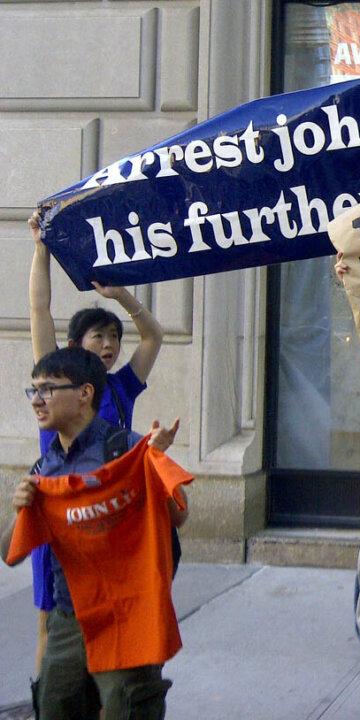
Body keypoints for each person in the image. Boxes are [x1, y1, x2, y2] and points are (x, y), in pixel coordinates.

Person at [1, 346, 184, 720]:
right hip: (67, 618)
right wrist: (18, 511)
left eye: (48, 389)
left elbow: (179, 517)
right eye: (32, 391)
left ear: (84, 393)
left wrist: (154, 467)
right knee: (55, 707)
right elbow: (10, 554)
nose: (37, 401)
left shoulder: (126, 449)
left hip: (127, 616)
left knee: (128, 707)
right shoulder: (45, 467)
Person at [27, 209, 166, 678]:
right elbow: (38, 311)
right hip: (62, 515)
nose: (107, 345)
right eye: (97, 336)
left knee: (113, 617)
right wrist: (41, 248)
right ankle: (54, 698)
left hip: (111, 520)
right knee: (53, 620)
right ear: (73, 343)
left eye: (112, 338)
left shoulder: (121, 386)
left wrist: (121, 295)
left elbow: (154, 335)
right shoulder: (56, 382)